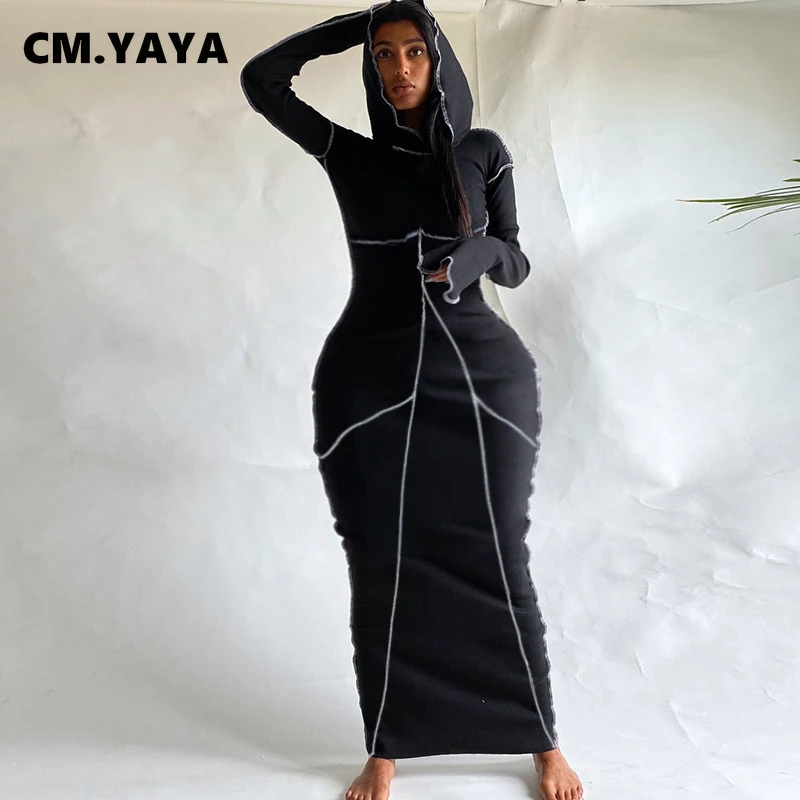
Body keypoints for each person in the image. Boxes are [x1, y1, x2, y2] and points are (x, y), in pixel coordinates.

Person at [240, 1, 583, 798]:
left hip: (482, 379)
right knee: (382, 558)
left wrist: (474, 257)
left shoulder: (482, 151)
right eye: (384, 54)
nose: (399, 68)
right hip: (369, 381)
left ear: (439, 59)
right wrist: (365, 20)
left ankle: (540, 739)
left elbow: (517, 262)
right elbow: (263, 81)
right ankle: (387, 746)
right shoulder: (349, 156)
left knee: (497, 551)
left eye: (414, 51)